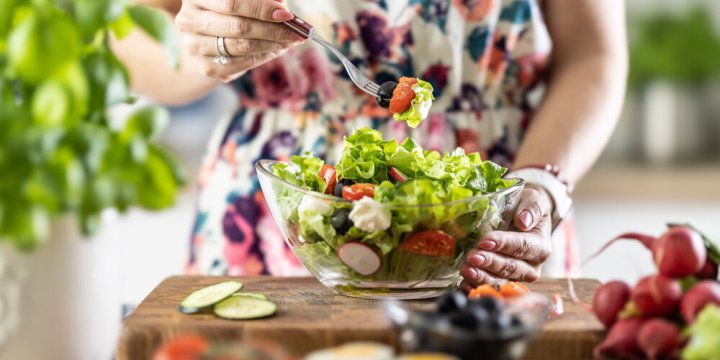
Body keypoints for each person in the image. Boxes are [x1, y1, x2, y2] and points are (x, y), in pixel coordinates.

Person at [112, 0, 627, 288]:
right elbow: (133, 37)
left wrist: (540, 184)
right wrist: (201, 44)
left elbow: (593, 53)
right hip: (283, 211)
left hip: (490, 209)